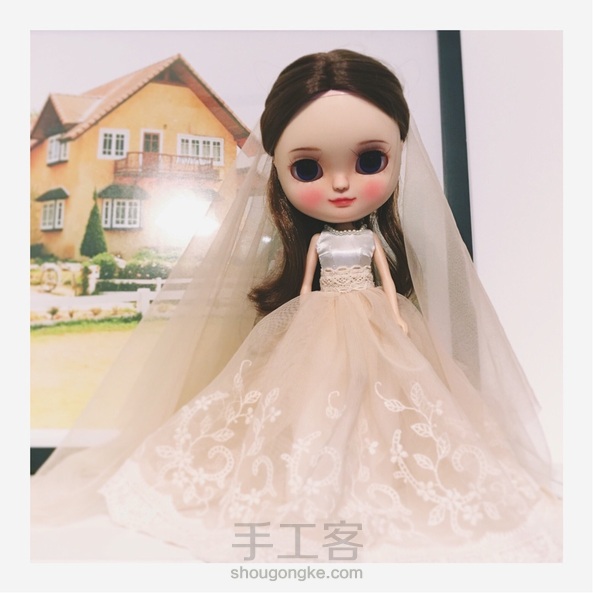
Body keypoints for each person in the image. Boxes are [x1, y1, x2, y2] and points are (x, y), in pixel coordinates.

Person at [32, 49, 562, 562]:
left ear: (400, 156)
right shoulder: (319, 242)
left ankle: (378, 481)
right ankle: (309, 477)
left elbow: (385, 278)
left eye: (370, 161)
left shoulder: (370, 240)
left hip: (377, 322)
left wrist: (398, 317)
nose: (340, 183)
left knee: (388, 405)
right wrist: (300, 316)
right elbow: (307, 282)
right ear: (279, 170)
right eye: (307, 168)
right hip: (319, 320)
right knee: (309, 400)